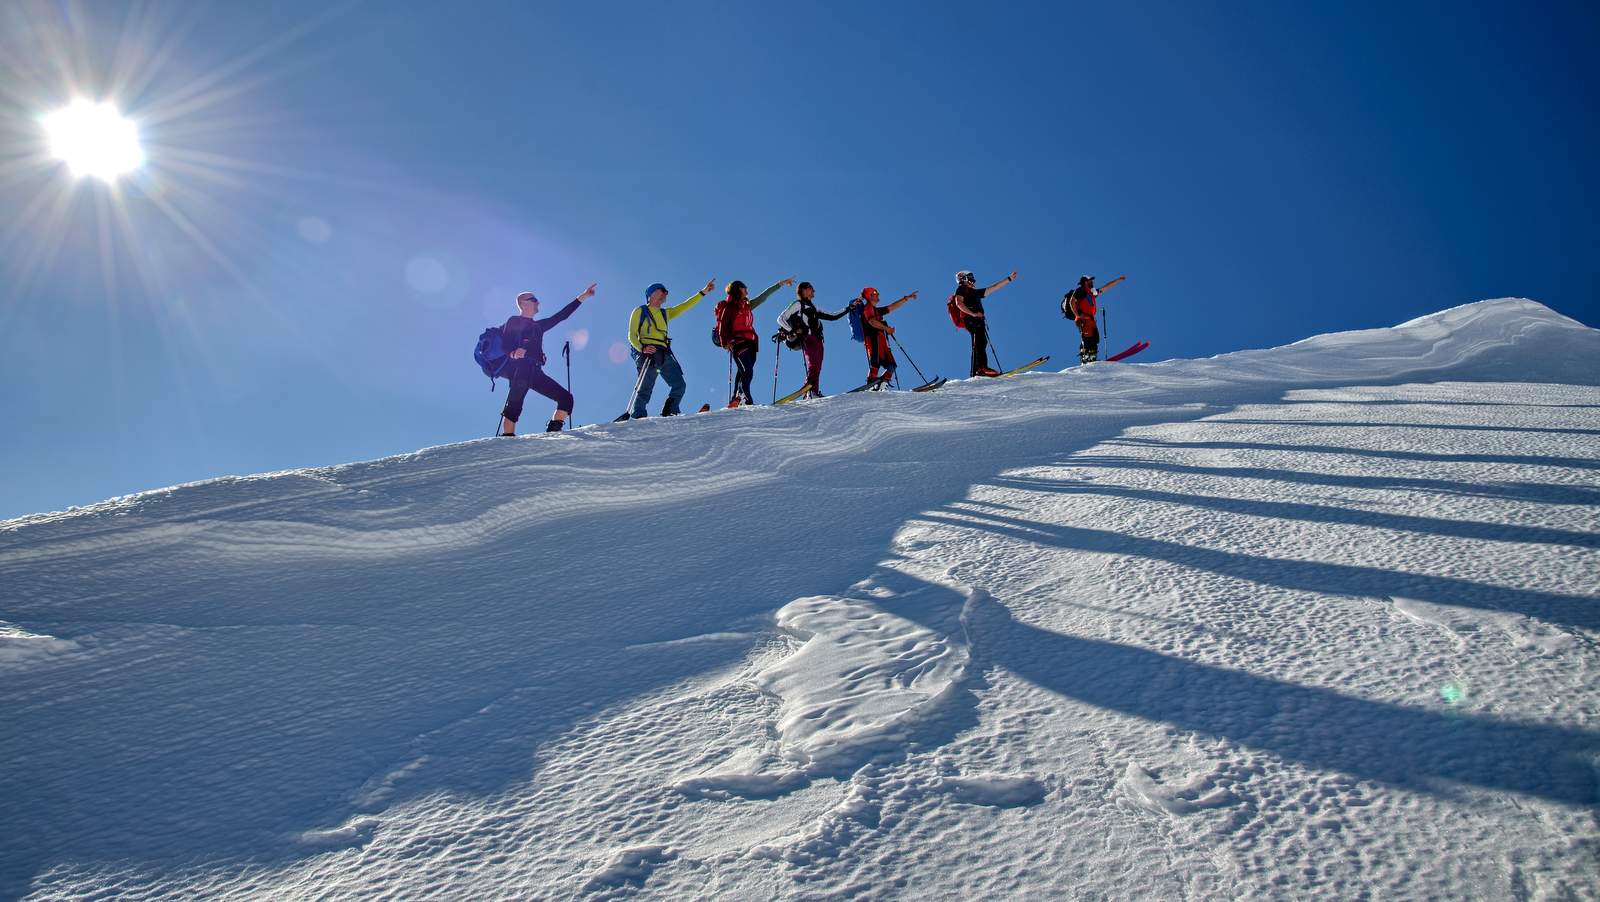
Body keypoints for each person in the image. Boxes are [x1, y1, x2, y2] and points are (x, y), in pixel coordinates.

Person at [498, 283, 597, 435]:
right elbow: (504, 345)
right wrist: (513, 353)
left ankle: (553, 433)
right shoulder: (514, 321)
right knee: (513, 409)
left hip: (536, 372)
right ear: (523, 303)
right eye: (534, 299)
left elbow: (561, 316)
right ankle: (507, 441)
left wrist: (583, 297)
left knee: (566, 399)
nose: (538, 302)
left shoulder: (538, 326)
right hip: (521, 370)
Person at [624, 278, 715, 419]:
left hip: (663, 353)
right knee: (645, 388)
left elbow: (685, 306)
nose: (665, 294)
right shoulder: (640, 311)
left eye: (666, 292)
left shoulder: (665, 313)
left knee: (679, 385)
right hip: (647, 352)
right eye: (662, 291)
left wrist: (702, 292)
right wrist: (642, 348)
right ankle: (638, 415)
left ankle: (670, 410)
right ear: (651, 294)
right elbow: (631, 334)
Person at [718, 277, 794, 406]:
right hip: (738, 341)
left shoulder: (747, 305)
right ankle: (743, 396)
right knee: (747, 370)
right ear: (738, 289)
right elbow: (722, 325)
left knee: (743, 371)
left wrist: (780, 284)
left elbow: (764, 296)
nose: (747, 289)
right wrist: (725, 342)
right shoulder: (730, 307)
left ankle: (735, 399)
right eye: (744, 286)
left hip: (751, 343)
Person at [775, 281, 849, 397]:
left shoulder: (814, 307)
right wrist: (792, 331)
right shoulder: (798, 304)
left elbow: (833, 316)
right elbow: (781, 318)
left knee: (817, 367)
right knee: (813, 365)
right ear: (804, 290)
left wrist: (849, 308)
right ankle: (809, 390)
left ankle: (813, 391)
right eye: (811, 288)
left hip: (819, 339)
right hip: (808, 338)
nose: (814, 290)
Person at [952, 269, 1017, 376]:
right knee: (980, 341)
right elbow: (959, 303)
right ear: (963, 278)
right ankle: (981, 368)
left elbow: (994, 288)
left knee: (979, 342)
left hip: (978, 320)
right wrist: (973, 314)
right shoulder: (961, 289)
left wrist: (1008, 279)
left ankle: (976, 371)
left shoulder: (975, 292)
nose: (973, 279)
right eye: (970, 276)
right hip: (971, 319)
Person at [856, 287, 918, 388]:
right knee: (875, 362)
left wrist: (906, 298)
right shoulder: (867, 308)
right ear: (869, 296)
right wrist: (886, 328)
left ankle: (881, 384)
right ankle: (871, 383)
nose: (878, 295)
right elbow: (872, 321)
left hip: (881, 340)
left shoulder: (876, 310)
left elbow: (892, 307)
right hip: (873, 339)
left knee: (891, 365)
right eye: (875, 293)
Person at [1062, 274, 1125, 363]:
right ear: (1085, 282)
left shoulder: (1091, 293)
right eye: (1090, 280)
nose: (1092, 282)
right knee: (1088, 338)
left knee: (1095, 338)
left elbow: (1105, 288)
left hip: (1091, 319)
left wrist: (1117, 280)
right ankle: (1085, 358)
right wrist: (1078, 316)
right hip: (1084, 319)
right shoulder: (1080, 291)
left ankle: (1092, 358)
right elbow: (1072, 302)